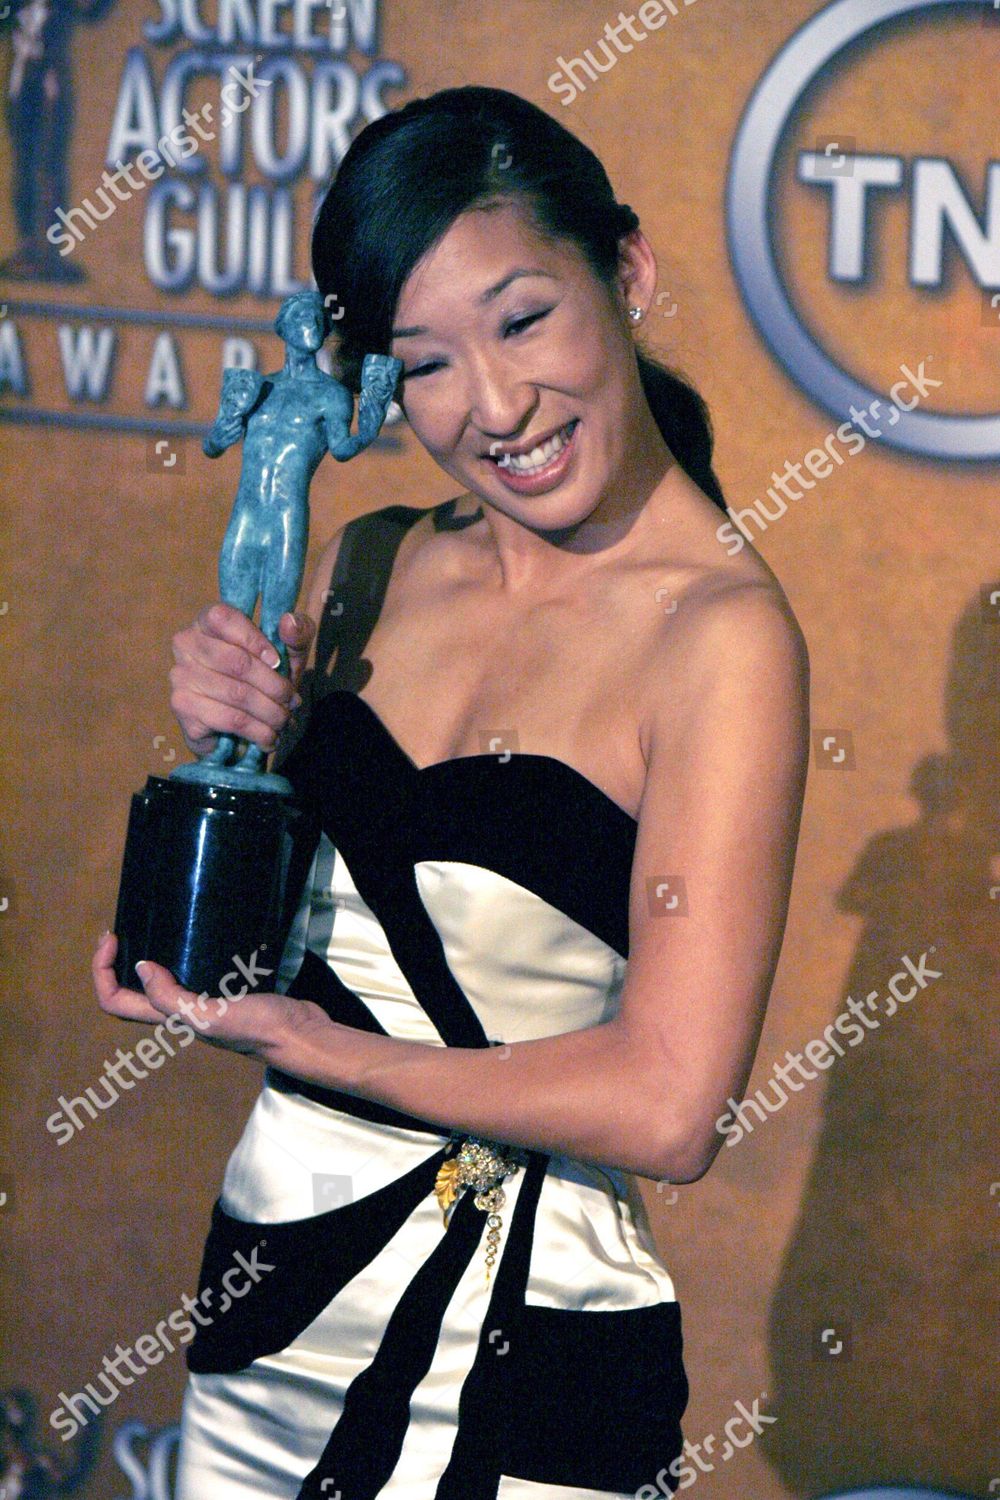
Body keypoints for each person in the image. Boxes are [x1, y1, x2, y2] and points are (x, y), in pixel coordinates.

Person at [93, 85, 810, 1500]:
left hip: (527, 1363)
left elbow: (672, 1105)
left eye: (525, 318)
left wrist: (324, 1054)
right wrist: (239, 753)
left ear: (630, 269)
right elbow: (294, 960)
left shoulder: (721, 637)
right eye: (424, 362)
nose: (495, 407)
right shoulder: (369, 560)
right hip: (266, 1303)